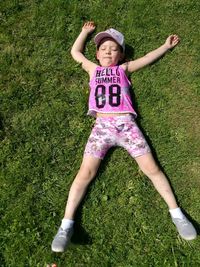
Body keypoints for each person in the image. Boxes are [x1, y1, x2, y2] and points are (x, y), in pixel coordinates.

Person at [51, 21, 197, 252]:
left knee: (152, 169)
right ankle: (66, 225)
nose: (108, 51)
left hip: (127, 125)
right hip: (101, 127)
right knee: (85, 173)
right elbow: (75, 52)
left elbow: (147, 58)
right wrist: (84, 32)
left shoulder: (123, 69)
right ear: (97, 54)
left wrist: (165, 47)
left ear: (121, 55)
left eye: (114, 49)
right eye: (104, 48)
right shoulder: (92, 69)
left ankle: (177, 215)